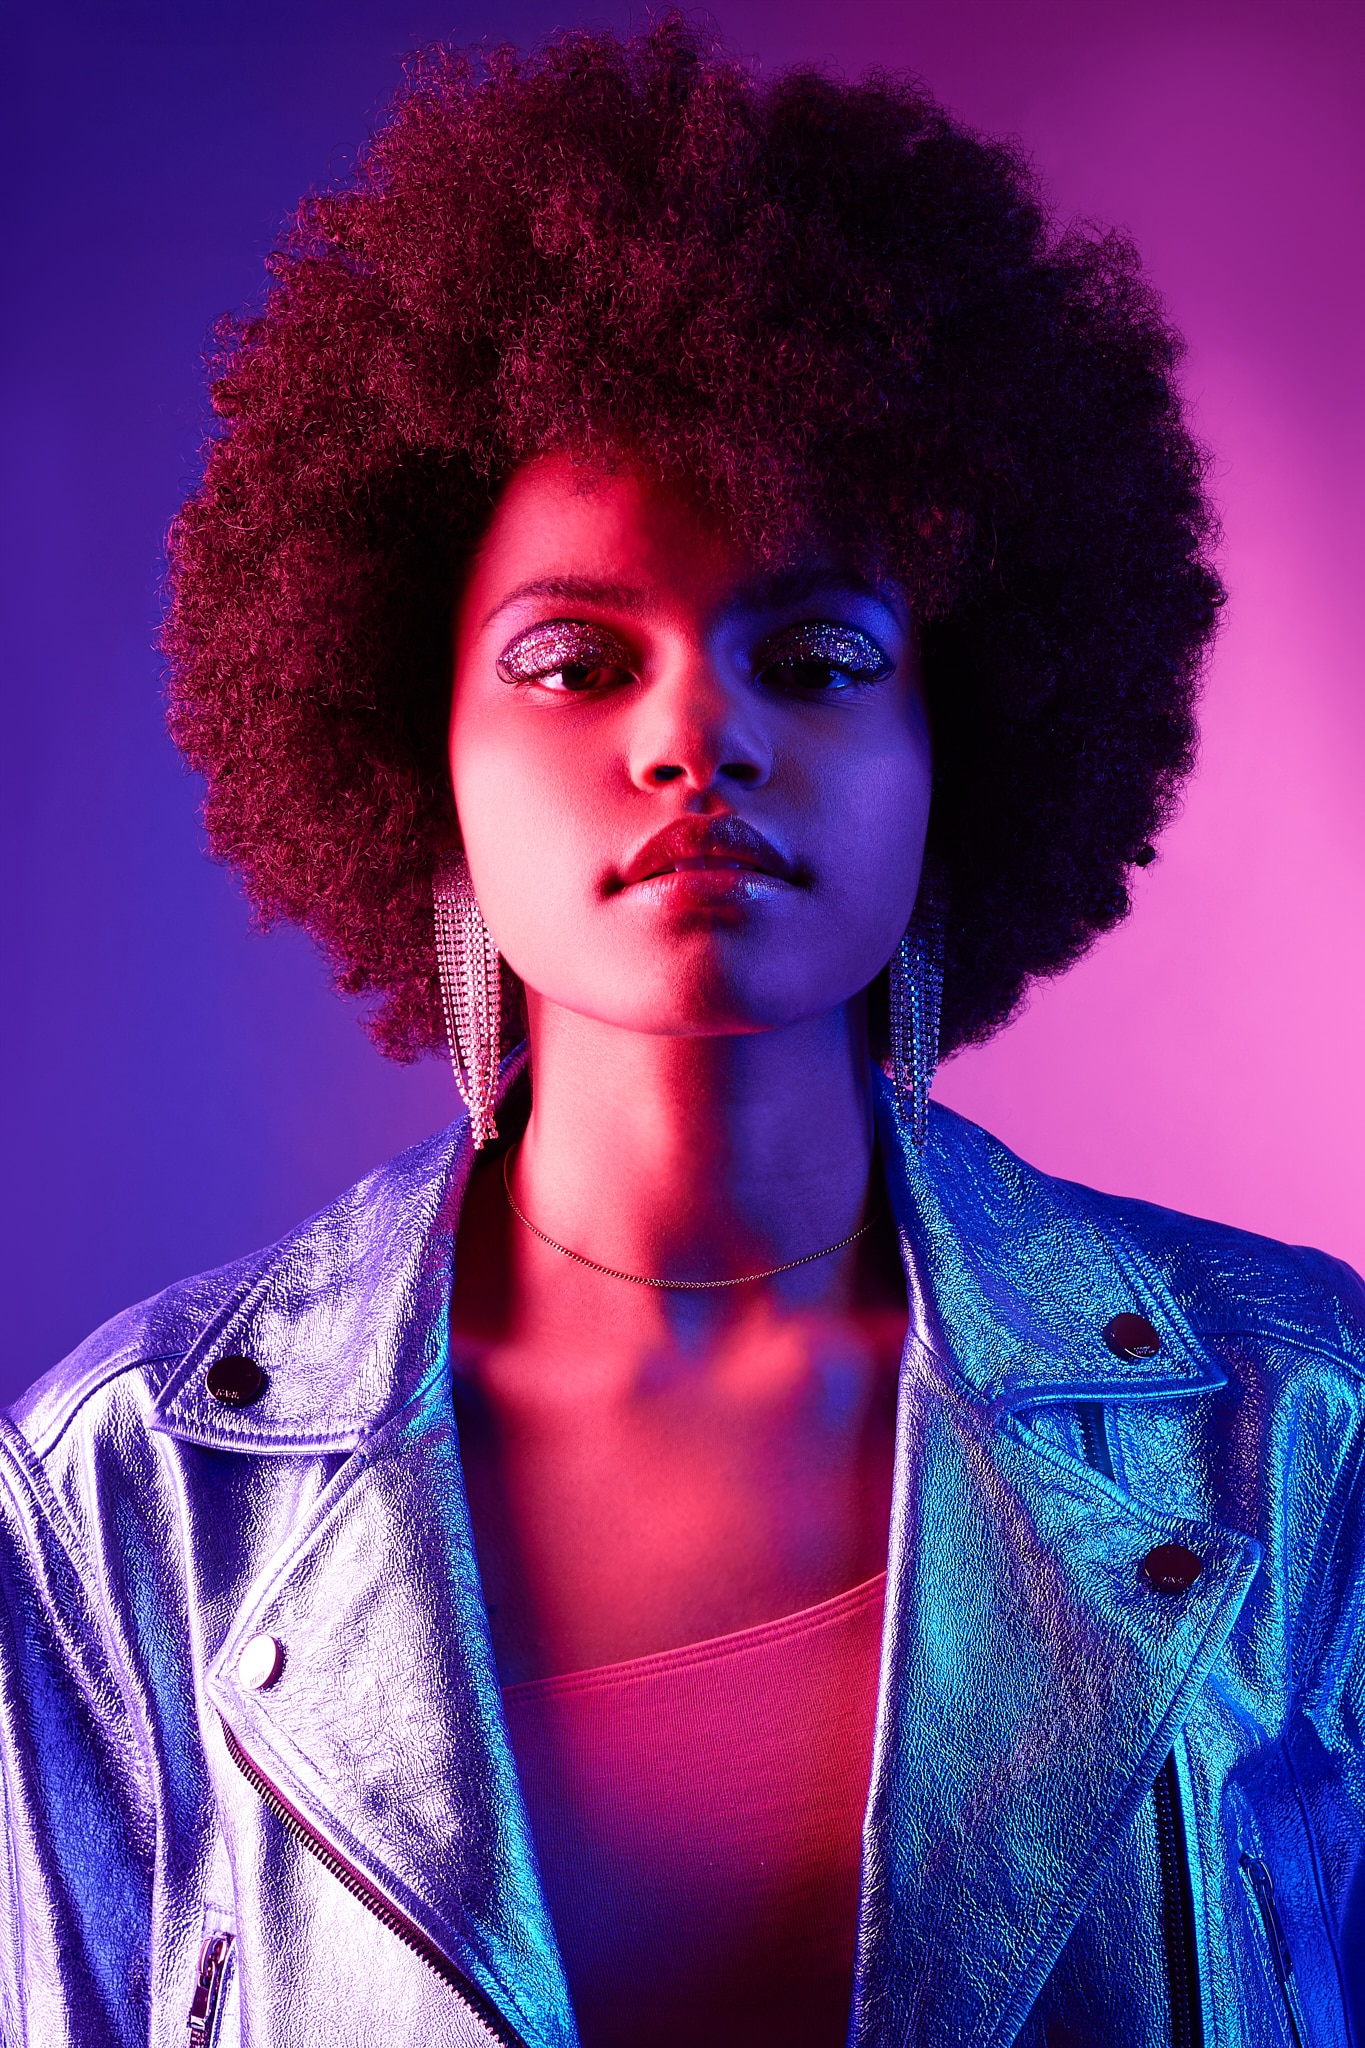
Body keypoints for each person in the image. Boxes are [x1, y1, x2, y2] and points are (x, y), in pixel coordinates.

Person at [1, 20, 1360, 2048]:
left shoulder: (1292, 1424)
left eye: (811, 658)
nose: (689, 736)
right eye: (572, 659)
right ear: (410, 735)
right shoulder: (131, 1492)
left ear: (953, 739)